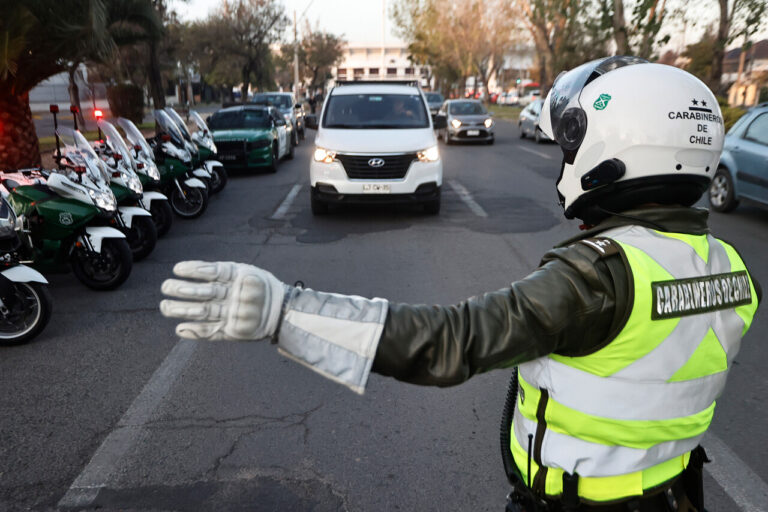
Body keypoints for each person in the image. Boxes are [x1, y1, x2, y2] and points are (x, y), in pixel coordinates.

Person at [160, 57, 760, 511]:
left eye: (572, 147)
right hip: (676, 494)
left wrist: (285, 314)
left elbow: (453, 340)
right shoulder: (731, 268)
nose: (564, 162)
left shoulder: (598, 278)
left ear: (616, 152)